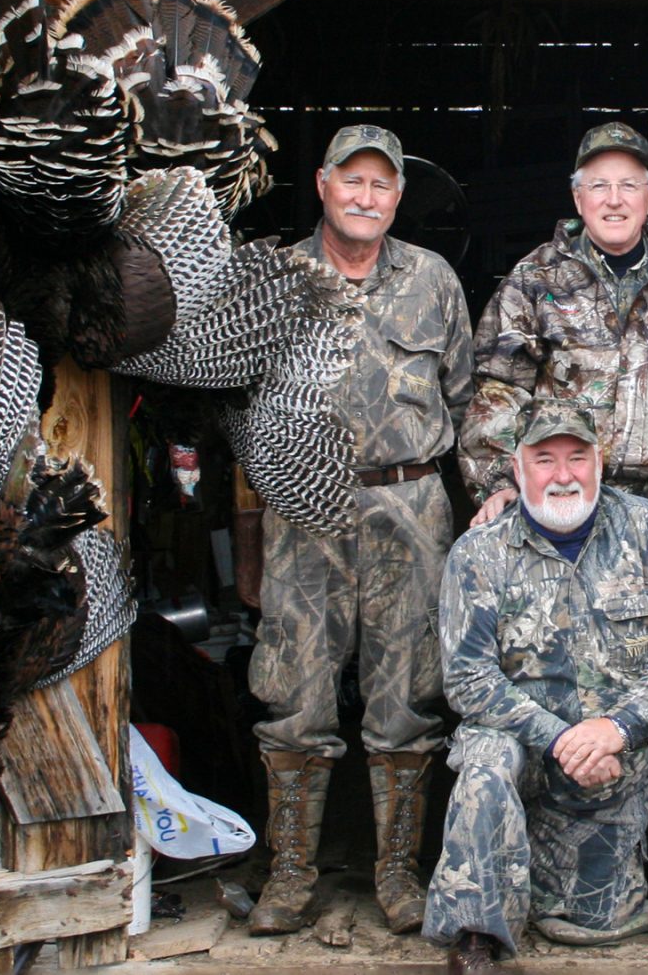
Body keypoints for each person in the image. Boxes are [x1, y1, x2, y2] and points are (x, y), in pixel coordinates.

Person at [458, 120, 648, 889]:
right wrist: (498, 485)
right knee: (557, 665)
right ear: (576, 196)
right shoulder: (537, 279)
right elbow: (497, 391)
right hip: (563, 499)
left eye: (630, 184)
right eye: (599, 184)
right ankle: (546, 821)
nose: (614, 198)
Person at [247, 125, 474, 938]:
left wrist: (481, 510)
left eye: (382, 185)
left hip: (411, 508)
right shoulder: (278, 279)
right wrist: (250, 523)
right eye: (354, 181)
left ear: (398, 197)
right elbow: (236, 409)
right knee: (293, 691)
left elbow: (468, 398)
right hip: (303, 509)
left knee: (409, 695)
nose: (367, 196)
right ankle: (290, 875)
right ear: (322, 184)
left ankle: (397, 876)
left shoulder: (434, 281)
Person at [426, 402, 648, 974]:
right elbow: (467, 678)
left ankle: (543, 878)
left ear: (599, 461)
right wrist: (560, 738)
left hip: (610, 761)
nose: (563, 475)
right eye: (545, 459)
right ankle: (474, 937)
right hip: (525, 751)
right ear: (518, 465)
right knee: (485, 762)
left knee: (593, 918)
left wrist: (618, 729)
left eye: (577, 458)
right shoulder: (478, 554)